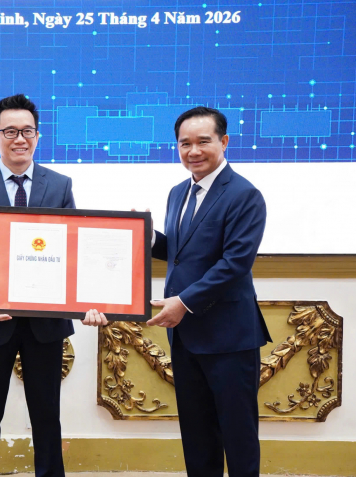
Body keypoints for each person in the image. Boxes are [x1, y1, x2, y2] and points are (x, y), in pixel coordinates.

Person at [0, 94, 102, 477]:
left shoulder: (60, 184)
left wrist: (87, 299)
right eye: (10, 131)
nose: (20, 139)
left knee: (47, 418)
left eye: (28, 131)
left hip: (45, 324)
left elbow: (73, 250)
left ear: (38, 135)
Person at [148, 106, 272, 476]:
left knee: (238, 436)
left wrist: (183, 302)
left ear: (224, 141)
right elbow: (182, 252)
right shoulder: (178, 192)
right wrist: (145, 237)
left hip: (229, 337)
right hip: (186, 337)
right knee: (197, 436)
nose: (193, 151)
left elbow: (235, 264)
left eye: (203, 141)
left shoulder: (244, 195)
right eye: (184, 143)